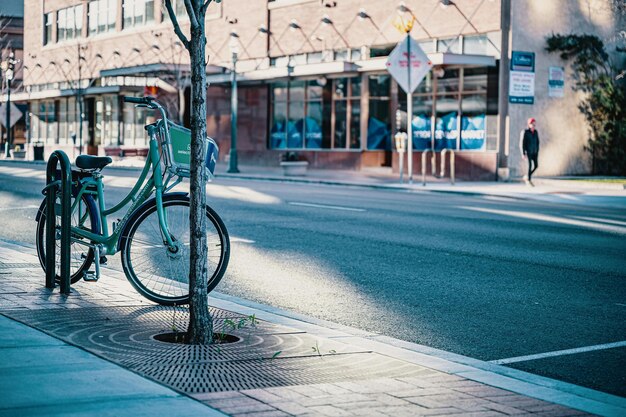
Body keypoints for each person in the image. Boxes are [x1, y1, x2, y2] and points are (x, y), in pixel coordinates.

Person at [519, 117, 540, 186]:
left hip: (535, 152)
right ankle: (529, 180)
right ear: (529, 124)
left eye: (534, 124)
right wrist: (523, 153)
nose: (534, 126)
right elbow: (522, 143)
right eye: (532, 124)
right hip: (528, 152)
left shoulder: (536, 132)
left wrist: (537, 150)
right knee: (530, 165)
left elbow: (537, 142)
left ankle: (527, 176)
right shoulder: (525, 132)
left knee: (536, 166)